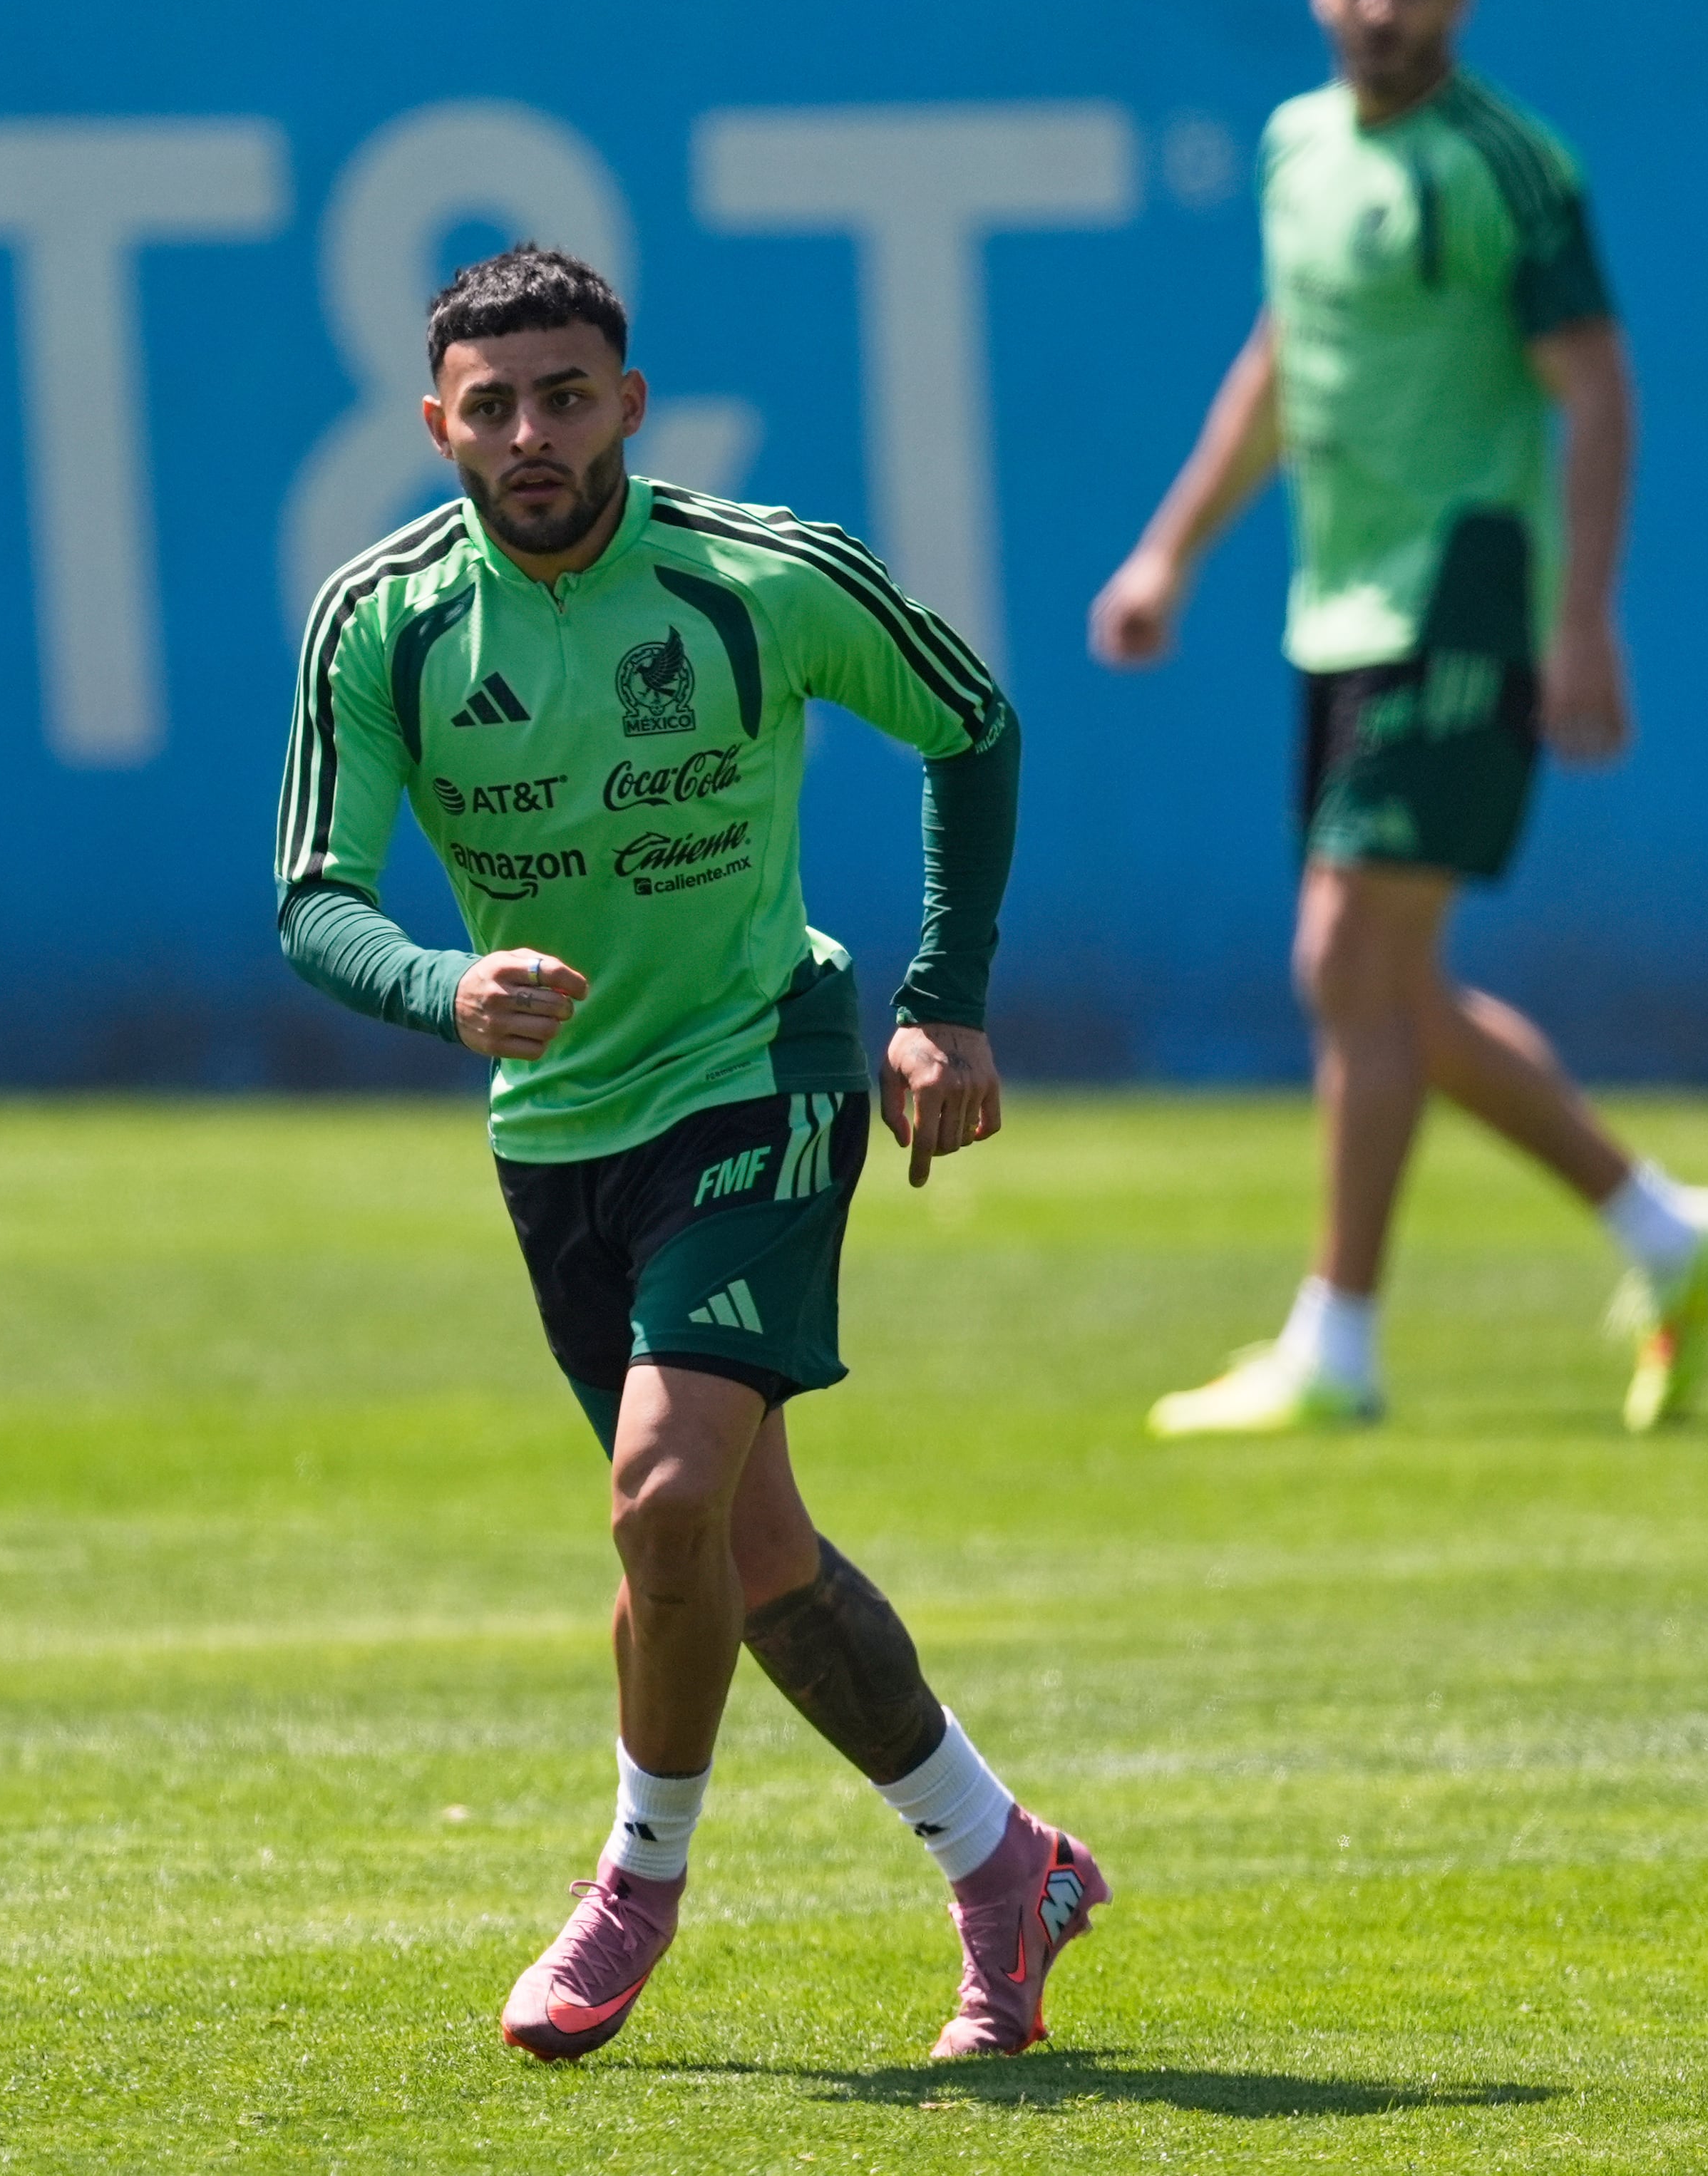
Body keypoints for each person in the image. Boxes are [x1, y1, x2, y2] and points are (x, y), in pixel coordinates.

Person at [274, 245, 1101, 2063]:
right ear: (436, 425)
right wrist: (437, 980)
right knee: (749, 1553)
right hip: (561, 1125)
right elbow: (312, 896)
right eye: (488, 406)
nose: (529, 434)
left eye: (565, 395)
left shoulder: (759, 575)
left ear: (628, 406)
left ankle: (634, 1880)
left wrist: (941, 999)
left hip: (762, 1064)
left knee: (661, 1496)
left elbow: (972, 726)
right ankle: (1004, 1858)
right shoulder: (383, 621)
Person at [1089, 0, 1708, 1438]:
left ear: (1457, 0)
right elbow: (1278, 362)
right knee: (1385, 989)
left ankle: (1341, 1337)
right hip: (1335, 610)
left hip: (1463, 593)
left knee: (1343, 965)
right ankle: (1662, 1224)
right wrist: (1169, 549)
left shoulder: (1508, 167)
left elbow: (1595, 389)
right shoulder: (1294, 148)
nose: (1376, 7)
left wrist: (1578, 621)